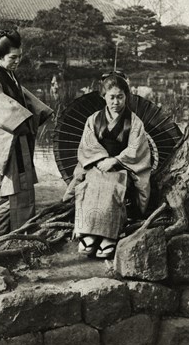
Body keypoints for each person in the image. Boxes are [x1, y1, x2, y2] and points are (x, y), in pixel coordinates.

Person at [0, 29, 53, 239]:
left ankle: (21, 240)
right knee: (2, 196)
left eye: (19, 57)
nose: (17, 62)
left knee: (22, 192)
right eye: (12, 58)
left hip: (16, 143)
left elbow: (25, 102)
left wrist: (36, 113)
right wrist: (23, 120)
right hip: (0, 148)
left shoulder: (9, 75)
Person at [63, 72, 151, 258]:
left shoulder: (134, 122)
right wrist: (101, 159)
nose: (116, 102)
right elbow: (87, 146)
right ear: (104, 97)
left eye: (120, 97)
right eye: (111, 97)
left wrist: (116, 160)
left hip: (123, 169)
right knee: (89, 185)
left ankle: (109, 237)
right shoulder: (93, 119)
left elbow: (137, 150)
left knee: (112, 188)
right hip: (97, 165)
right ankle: (88, 233)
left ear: (126, 96)